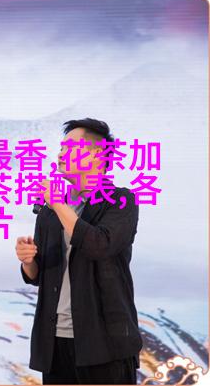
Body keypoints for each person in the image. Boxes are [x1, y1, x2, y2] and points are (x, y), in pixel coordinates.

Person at [15, 118, 142, 384]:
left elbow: (99, 245)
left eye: (69, 147)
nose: (60, 154)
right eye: (61, 148)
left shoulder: (120, 201)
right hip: (55, 342)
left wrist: (58, 203)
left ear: (96, 154)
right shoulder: (50, 211)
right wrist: (28, 261)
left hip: (104, 342)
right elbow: (39, 275)